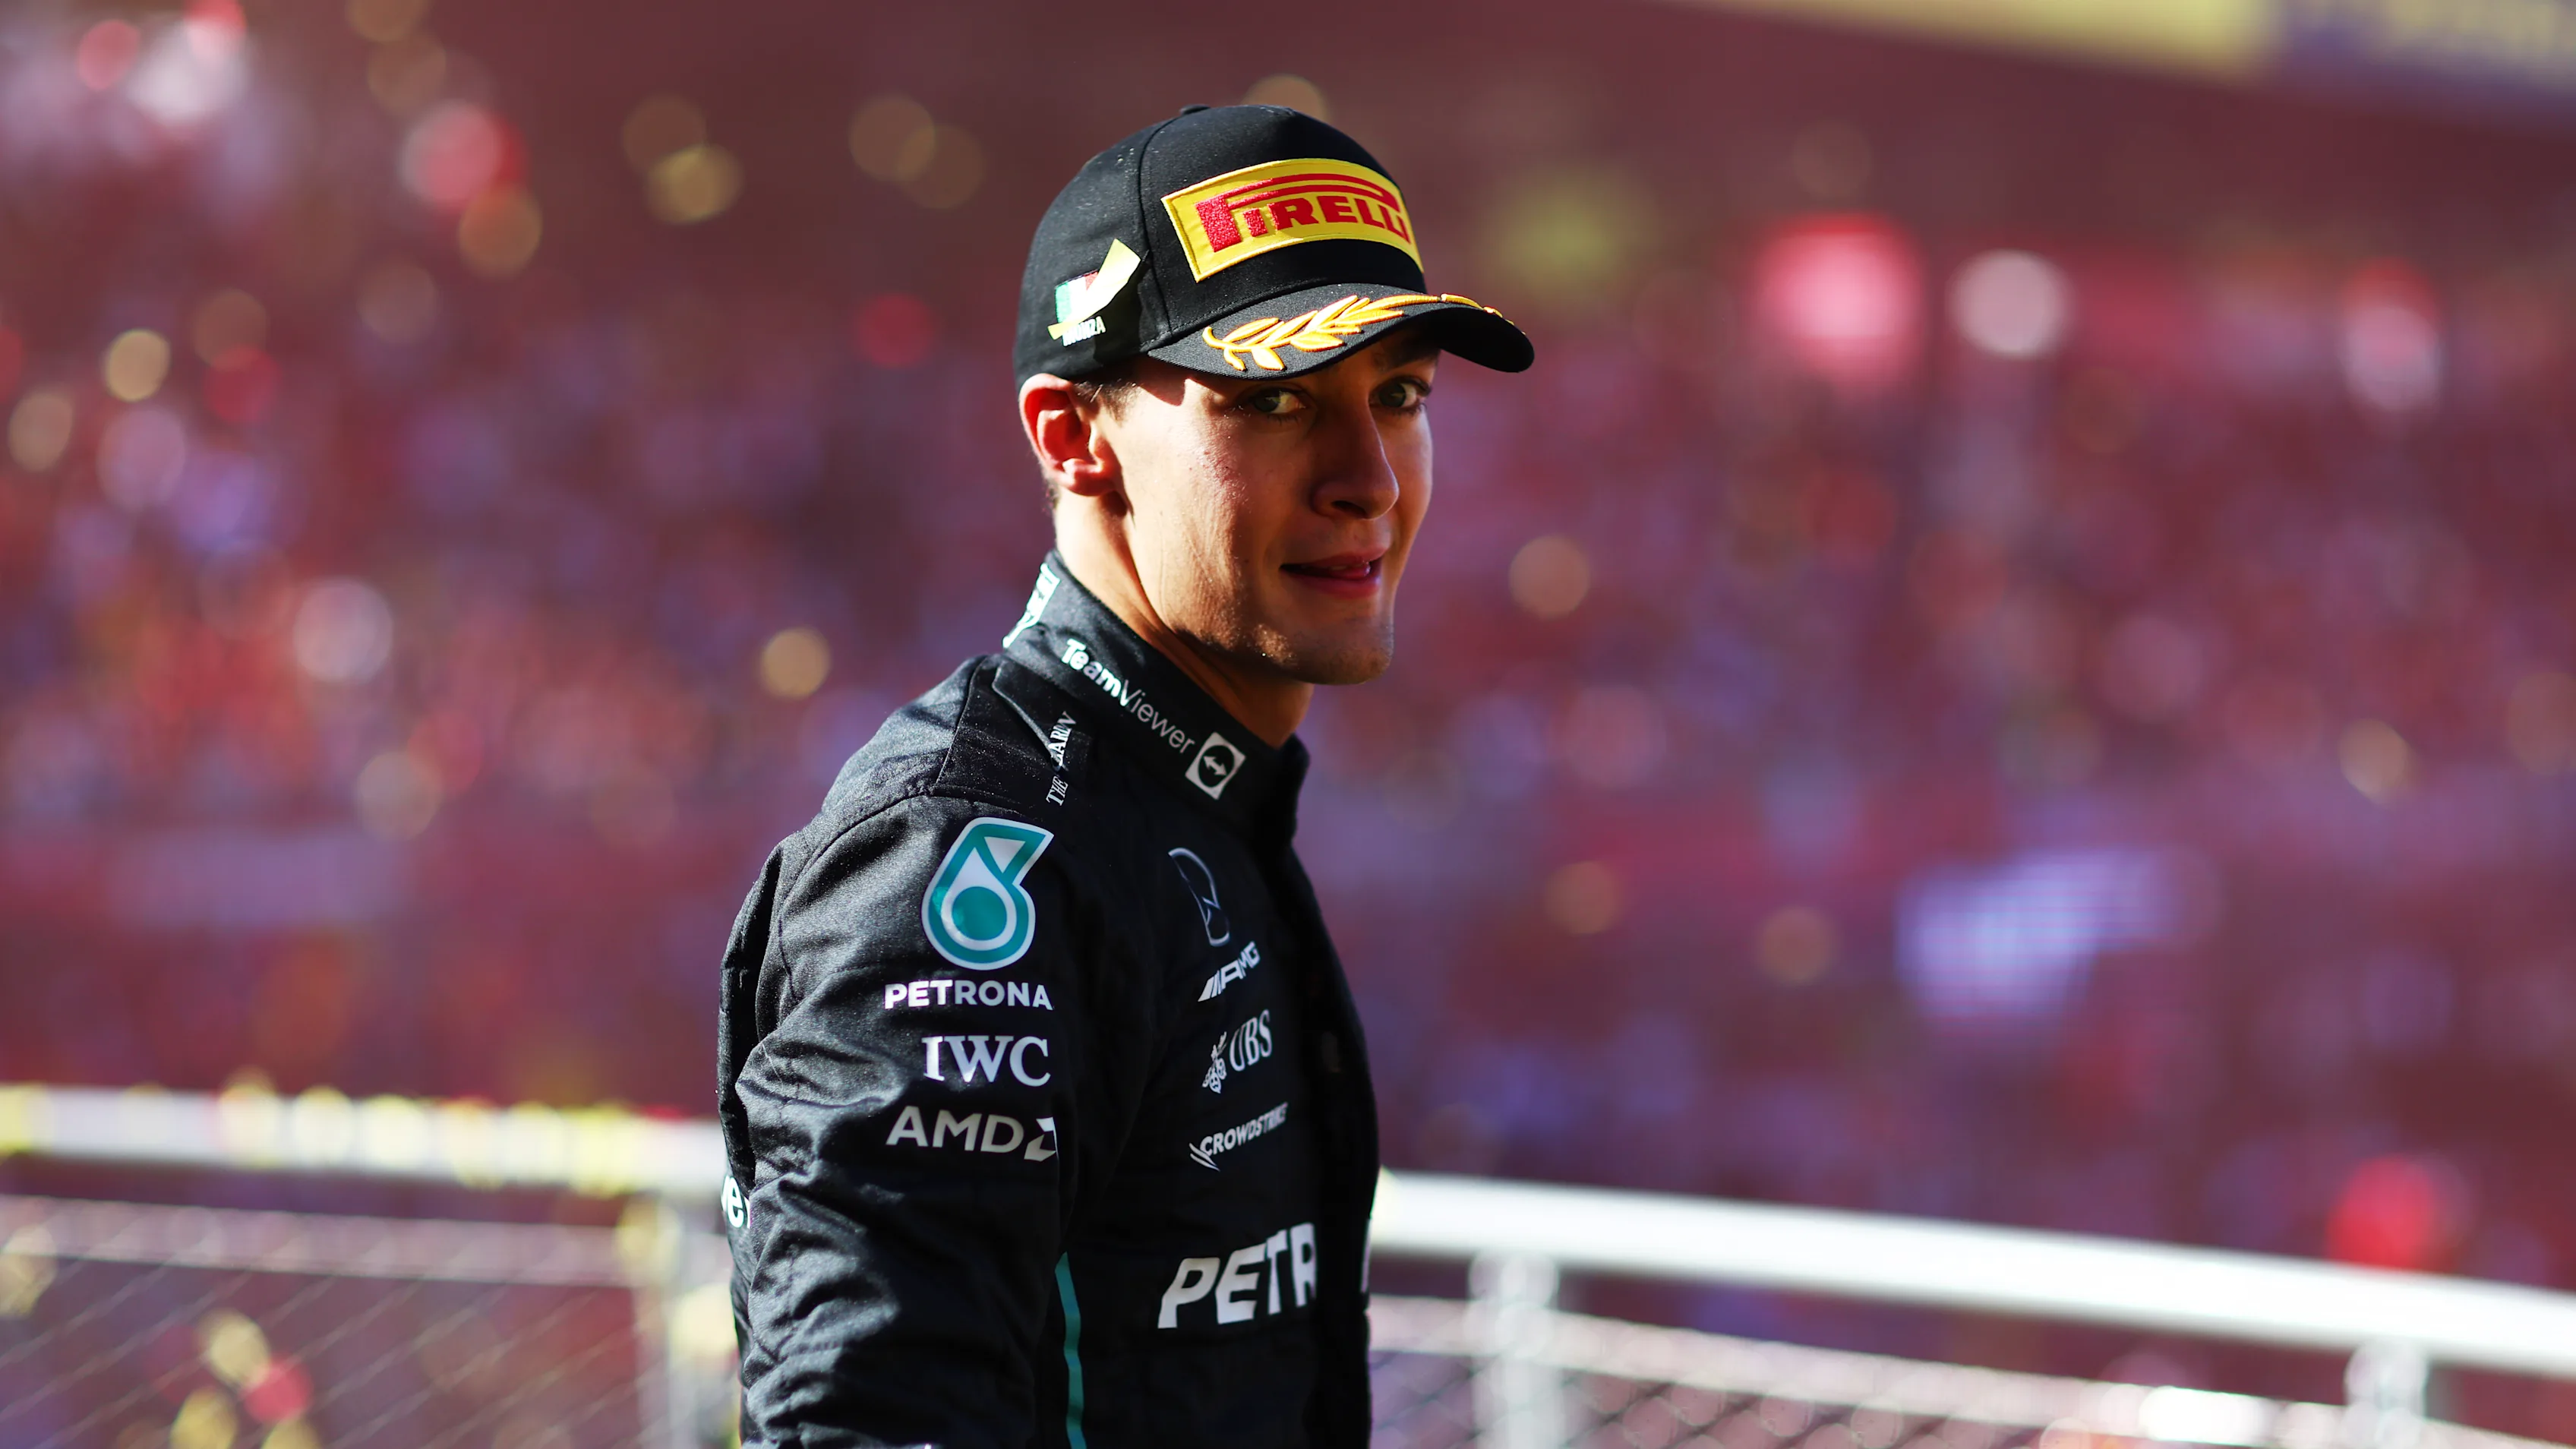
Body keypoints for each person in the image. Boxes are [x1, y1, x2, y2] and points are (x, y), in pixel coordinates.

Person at [715, 103, 1532, 1448]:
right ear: (1071, 435)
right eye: (1276, 400)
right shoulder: (968, 862)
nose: (1370, 479)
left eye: (1399, 396)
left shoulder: (1184, 797)